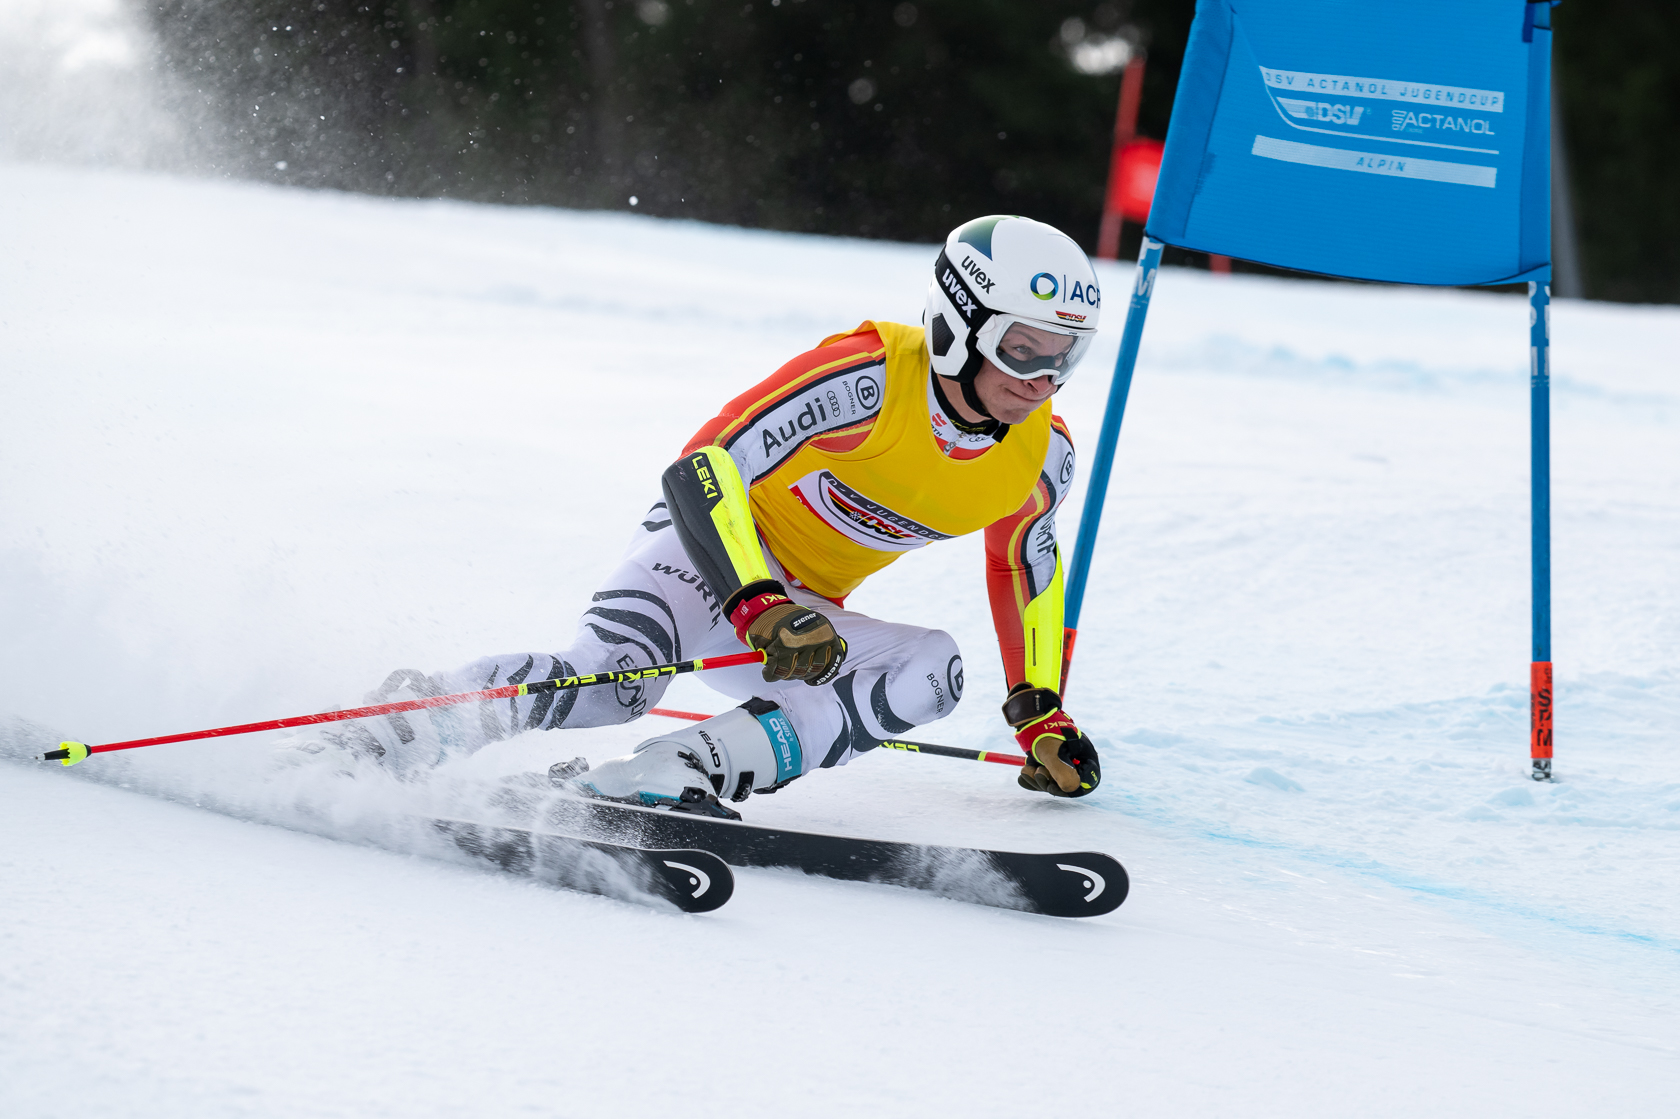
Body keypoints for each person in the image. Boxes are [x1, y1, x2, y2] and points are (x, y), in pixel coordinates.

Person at [329, 215, 1103, 817]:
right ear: (958, 324)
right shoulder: (866, 378)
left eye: (1063, 355)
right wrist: (755, 600)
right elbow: (702, 468)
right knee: (615, 686)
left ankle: (672, 770)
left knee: (935, 670)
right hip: (709, 564)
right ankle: (405, 721)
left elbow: (1023, 564)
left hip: (799, 618)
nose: (1042, 379)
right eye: (1022, 349)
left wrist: (1039, 710)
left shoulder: (1042, 454)